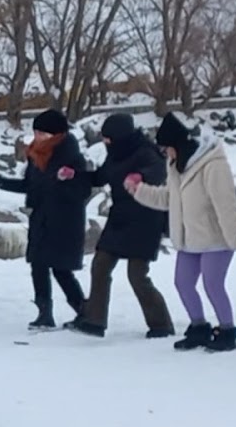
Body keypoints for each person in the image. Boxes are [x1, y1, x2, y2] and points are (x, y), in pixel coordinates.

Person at [127, 113, 236, 352]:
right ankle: (199, 327)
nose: (166, 153)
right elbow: (170, 199)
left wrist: (234, 237)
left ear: (178, 145)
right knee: (182, 283)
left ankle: (227, 331)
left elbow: (225, 203)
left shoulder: (213, 165)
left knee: (213, 284)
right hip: (189, 239)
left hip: (216, 239)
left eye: (167, 148)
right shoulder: (176, 167)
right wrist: (138, 191)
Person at [74, 113, 173, 339]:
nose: (106, 142)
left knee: (137, 275)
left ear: (122, 137)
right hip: (119, 218)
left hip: (146, 219)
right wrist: (76, 176)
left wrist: (139, 175)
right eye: (104, 138)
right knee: (100, 265)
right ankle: (95, 320)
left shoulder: (145, 150)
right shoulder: (115, 153)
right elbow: (100, 177)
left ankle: (161, 325)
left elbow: (159, 171)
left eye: (109, 138)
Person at [0, 109, 92, 330]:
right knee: (38, 265)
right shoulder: (36, 155)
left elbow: (82, 190)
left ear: (56, 135)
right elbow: (30, 185)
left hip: (64, 221)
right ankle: (44, 313)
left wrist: (65, 182)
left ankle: (84, 310)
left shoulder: (72, 157)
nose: (37, 137)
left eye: (43, 133)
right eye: (36, 132)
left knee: (60, 268)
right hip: (41, 218)